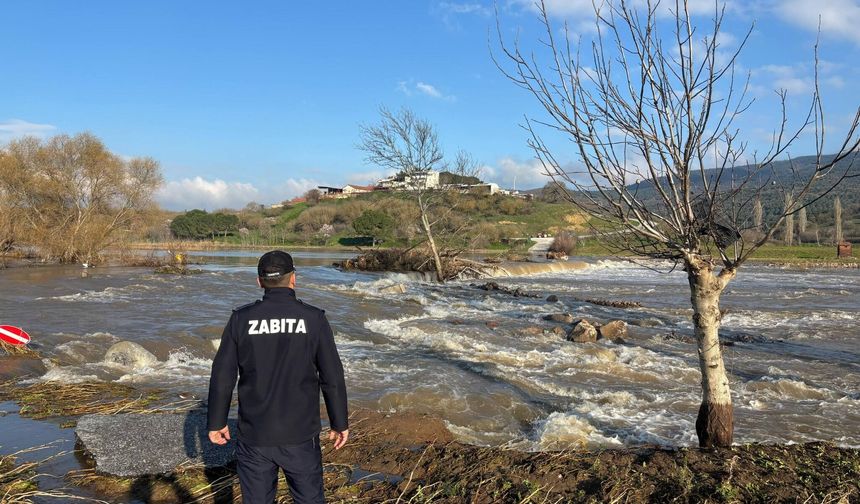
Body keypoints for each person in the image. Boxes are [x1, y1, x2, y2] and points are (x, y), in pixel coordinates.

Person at [207, 250, 349, 503]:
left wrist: (216, 421)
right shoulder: (313, 318)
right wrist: (339, 422)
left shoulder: (241, 318)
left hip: (255, 434)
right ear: (294, 278)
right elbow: (332, 376)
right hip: (300, 434)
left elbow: (222, 375)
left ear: (259, 281)